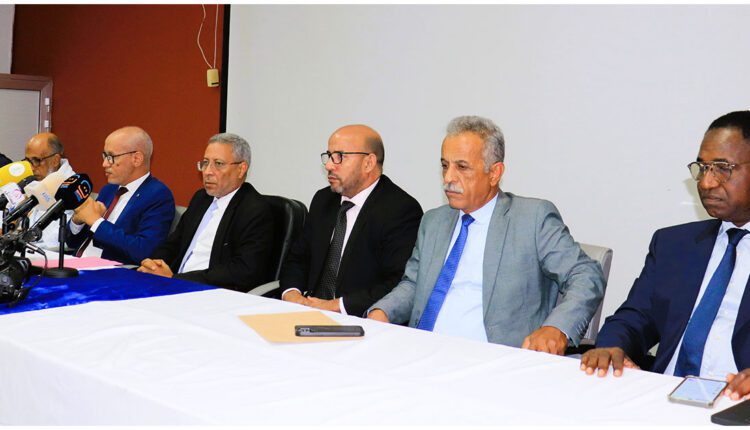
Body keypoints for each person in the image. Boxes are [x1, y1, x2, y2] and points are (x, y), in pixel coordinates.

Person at [367, 115, 604, 354]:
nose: (448, 178)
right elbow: (413, 284)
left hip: (493, 357)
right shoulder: (434, 221)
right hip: (421, 349)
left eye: (462, 167)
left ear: (494, 173)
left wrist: (556, 328)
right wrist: (382, 312)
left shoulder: (532, 219)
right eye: (445, 166)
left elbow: (585, 274)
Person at [580, 110, 750, 401]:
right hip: (664, 395)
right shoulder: (675, 244)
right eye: (703, 167)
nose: (706, 183)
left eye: (722, 168)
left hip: (737, 403)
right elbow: (634, 317)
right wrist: (612, 346)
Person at [279, 124, 423, 317]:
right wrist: (292, 294)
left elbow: (397, 283)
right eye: (329, 156)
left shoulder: (400, 210)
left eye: (339, 156)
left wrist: (336, 306)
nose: (329, 165)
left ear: (368, 163)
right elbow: (298, 258)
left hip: (357, 318)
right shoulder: (323, 199)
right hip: (305, 311)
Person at [137, 133, 274, 292]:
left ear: (241, 169)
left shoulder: (255, 209)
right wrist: (154, 264)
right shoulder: (201, 198)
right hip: (173, 284)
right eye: (205, 163)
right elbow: (174, 244)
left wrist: (176, 279)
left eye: (218, 164)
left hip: (210, 292)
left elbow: (243, 270)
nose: (208, 171)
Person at [66, 126, 174, 265]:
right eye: (104, 156)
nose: (104, 164)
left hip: (109, 271)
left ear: (136, 159)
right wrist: (78, 221)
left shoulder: (158, 195)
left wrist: (96, 222)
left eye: (111, 157)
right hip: (76, 263)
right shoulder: (108, 190)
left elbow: (144, 251)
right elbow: (71, 242)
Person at [24, 132, 76, 250]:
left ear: (55, 160)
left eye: (36, 160)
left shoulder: (72, 188)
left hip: (50, 253)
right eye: (28, 160)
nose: (31, 167)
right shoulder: (35, 180)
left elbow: (59, 240)